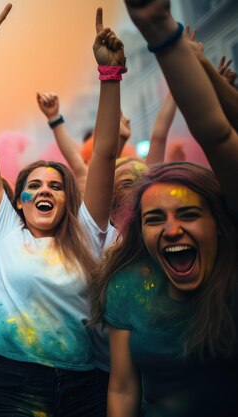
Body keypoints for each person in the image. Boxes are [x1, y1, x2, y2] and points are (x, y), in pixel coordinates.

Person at [0, 5, 124, 416]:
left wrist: (110, 76)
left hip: (82, 387)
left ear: (70, 200)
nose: (45, 191)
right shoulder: (4, 232)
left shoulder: (89, 232)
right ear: (18, 201)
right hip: (11, 385)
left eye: (56, 186)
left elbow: (104, 154)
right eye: (33, 186)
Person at [91, 0, 238, 416]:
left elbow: (217, 135)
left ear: (221, 219)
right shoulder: (125, 283)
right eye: (155, 218)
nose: (172, 229)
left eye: (188, 214)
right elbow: (122, 389)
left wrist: (164, 34)